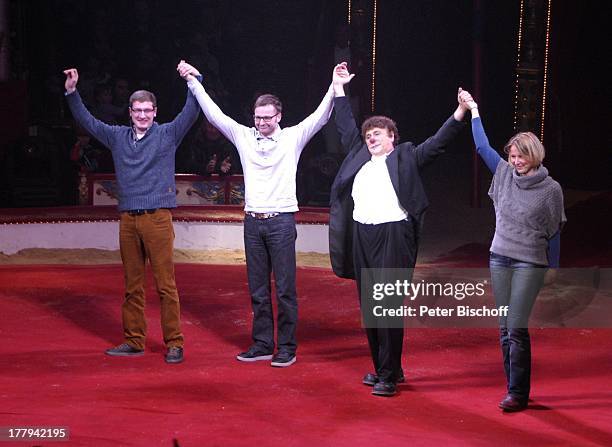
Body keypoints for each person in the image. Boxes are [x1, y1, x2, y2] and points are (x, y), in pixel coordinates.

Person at [178, 60, 336, 367]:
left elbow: (320, 117)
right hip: (252, 221)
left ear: (279, 116)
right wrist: (193, 82)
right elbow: (214, 114)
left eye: (267, 117)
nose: (261, 122)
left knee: (286, 289)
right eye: (257, 116)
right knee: (259, 288)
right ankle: (263, 343)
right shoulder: (243, 136)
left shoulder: (292, 138)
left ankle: (287, 346)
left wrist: (334, 85)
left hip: (281, 220)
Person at [328, 62, 471, 396]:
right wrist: (338, 88)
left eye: (377, 133)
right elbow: (345, 122)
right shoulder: (358, 157)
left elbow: (437, 143)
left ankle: (389, 376)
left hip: (393, 234)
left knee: (387, 304)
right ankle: (385, 368)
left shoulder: (407, 156)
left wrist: (461, 111)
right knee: (369, 305)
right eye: (367, 135)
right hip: (363, 234)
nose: (370, 137)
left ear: (392, 136)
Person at [63, 63, 202, 364]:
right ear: (130, 112)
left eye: (147, 111)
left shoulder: (167, 134)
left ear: (155, 112)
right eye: (137, 111)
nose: (142, 116)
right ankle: (134, 340)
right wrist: (72, 92)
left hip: (157, 218)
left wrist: (194, 78)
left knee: (166, 285)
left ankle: (175, 343)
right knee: (132, 284)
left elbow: (192, 111)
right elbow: (88, 122)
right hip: (128, 219)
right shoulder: (117, 137)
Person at [464, 91, 565, 412]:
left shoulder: (551, 189)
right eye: (511, 156)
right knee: (505, 327)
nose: (515, 161)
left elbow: (554, 230)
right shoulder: (504, 174)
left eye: (520, 156)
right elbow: (481, 147)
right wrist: (474, 109)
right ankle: (513, 387)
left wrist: (553, 267)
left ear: (534, 155)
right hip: (500, 257)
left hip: (529, 262)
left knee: (516, 326)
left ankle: (518, 394)